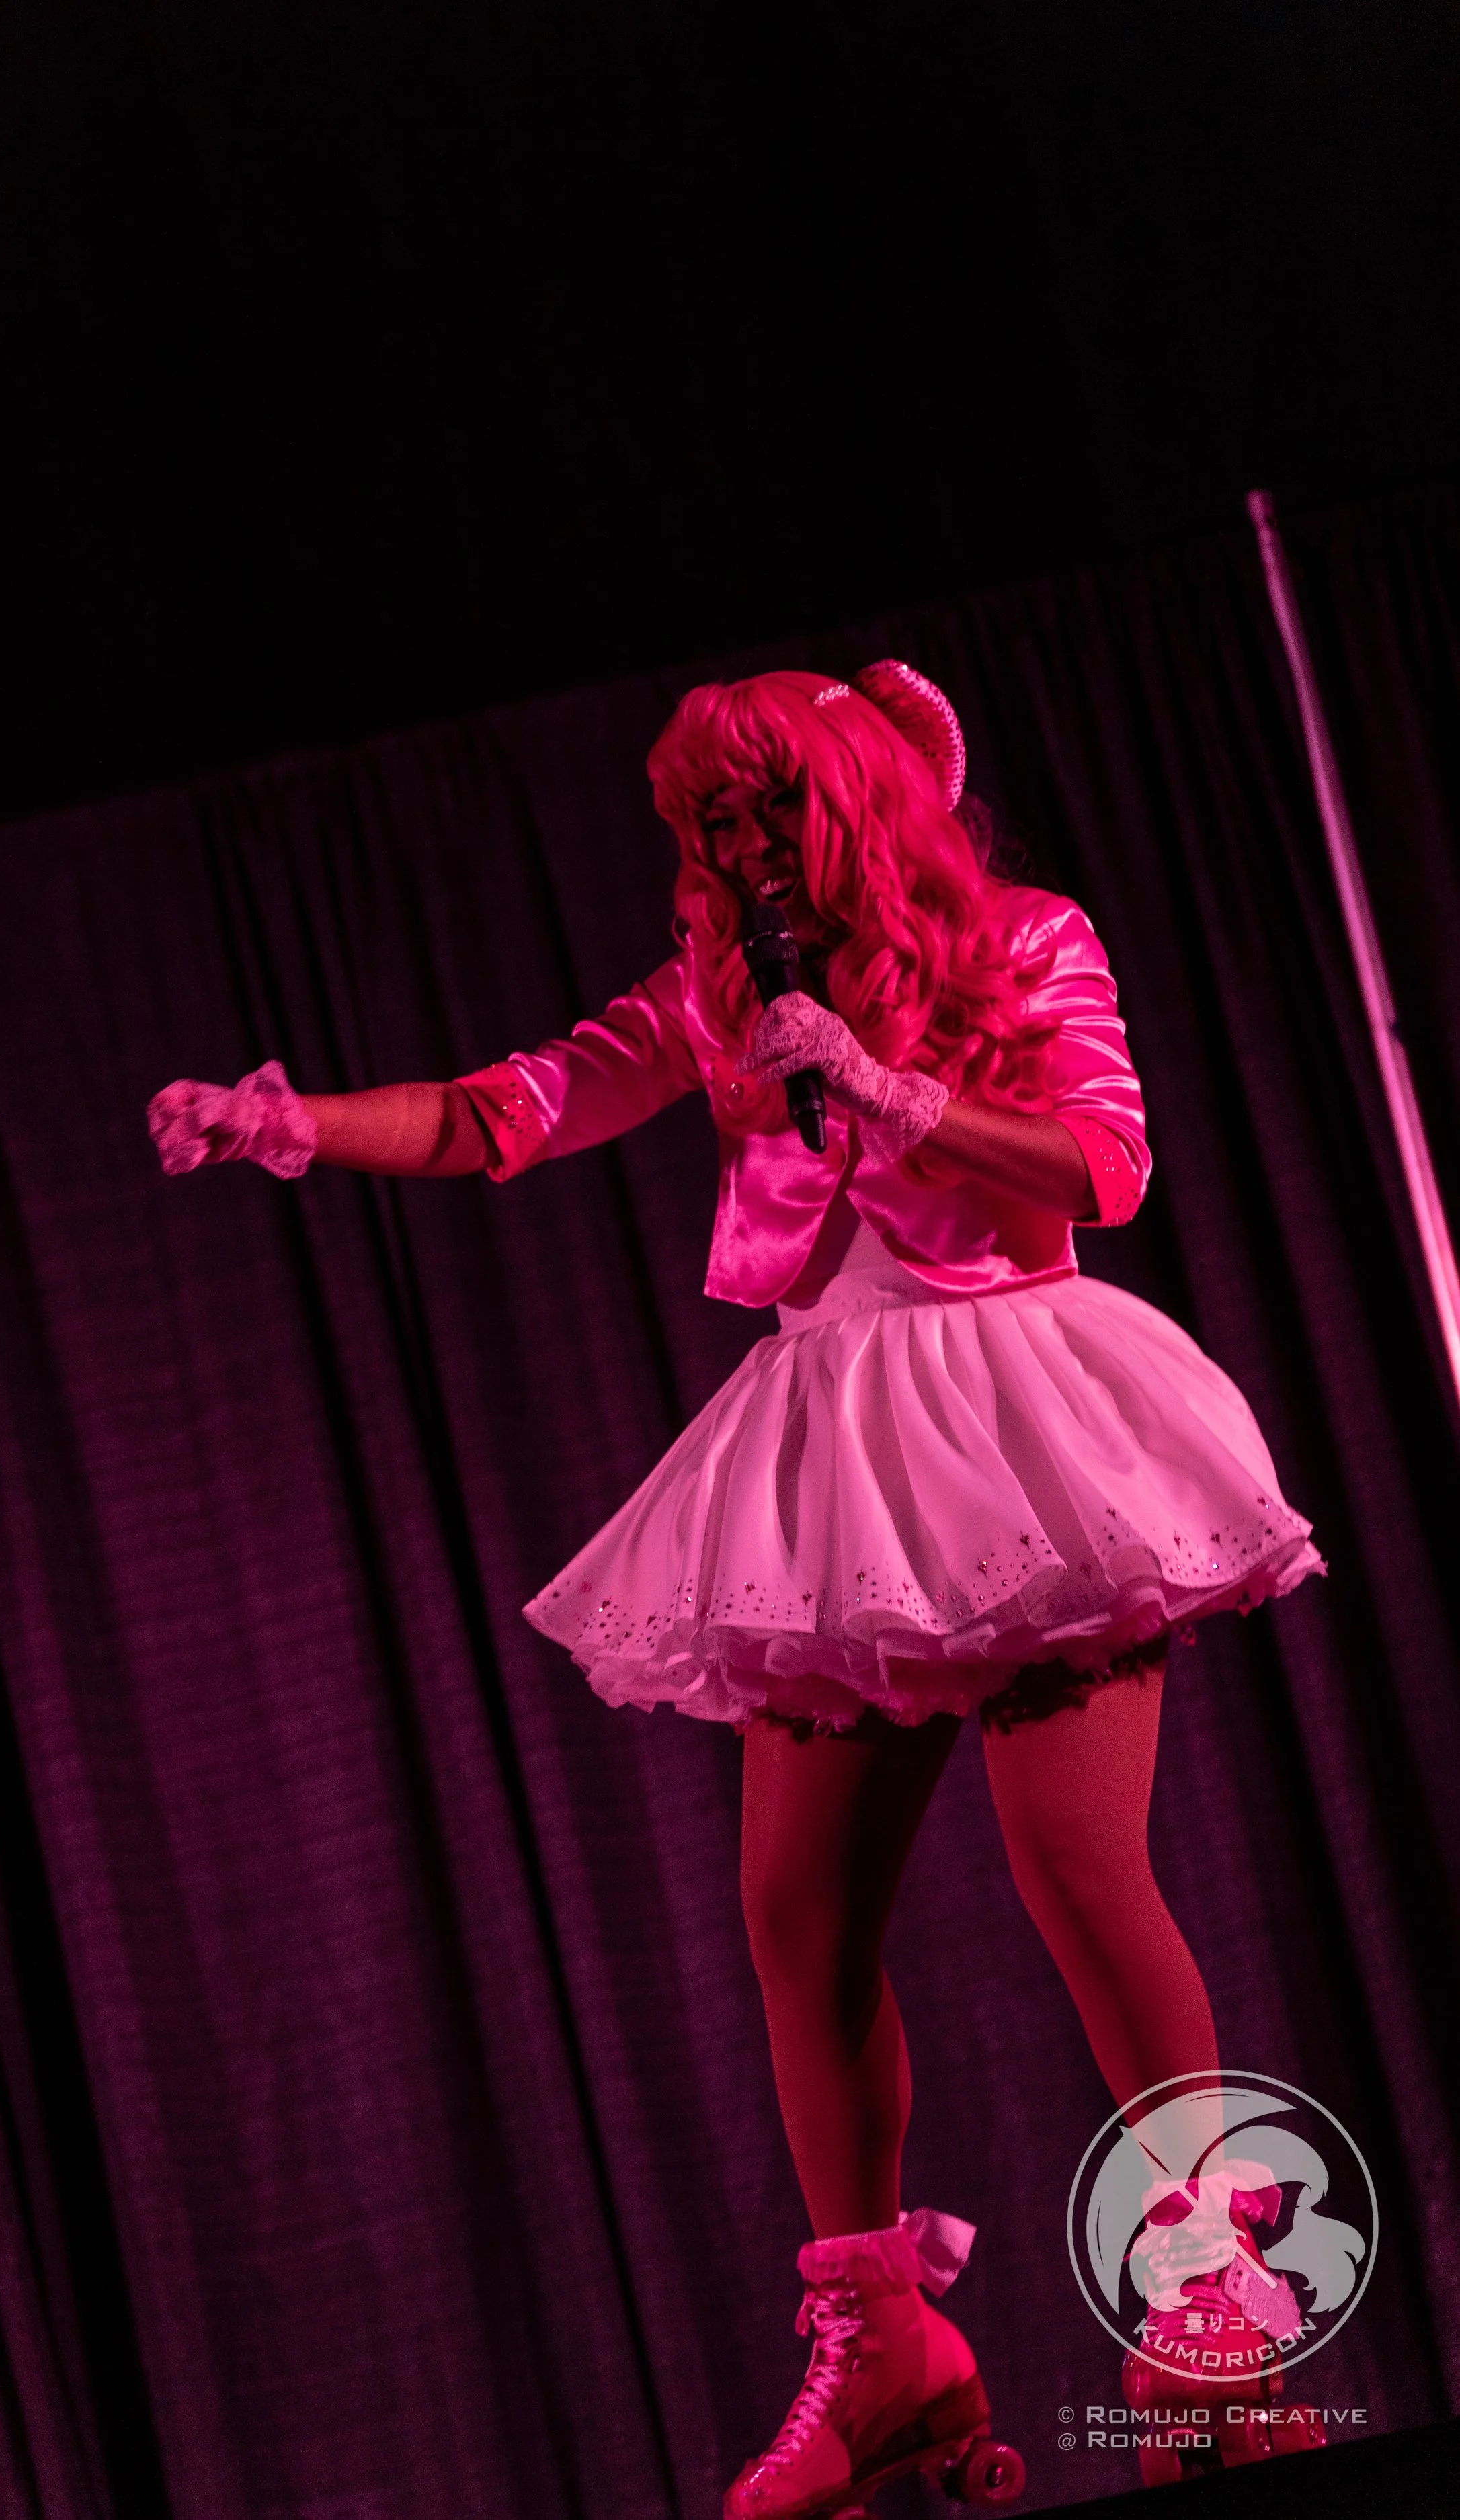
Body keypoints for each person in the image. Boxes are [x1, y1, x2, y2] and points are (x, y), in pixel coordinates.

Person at [149, 663, 1324, 2515]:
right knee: (795, 1915)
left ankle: (1210, 2321)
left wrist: (899, 1093)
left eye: (770, 808)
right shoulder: (721, 1000)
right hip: (838, 1455)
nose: (742, 848)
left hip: (1028, 1421)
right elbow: (509, 1107)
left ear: (853, 799)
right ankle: (887, 2346)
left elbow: (1105, 1163)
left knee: (1080, 1873)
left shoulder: (1023, 938)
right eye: (713, 822)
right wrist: (292, 1126)